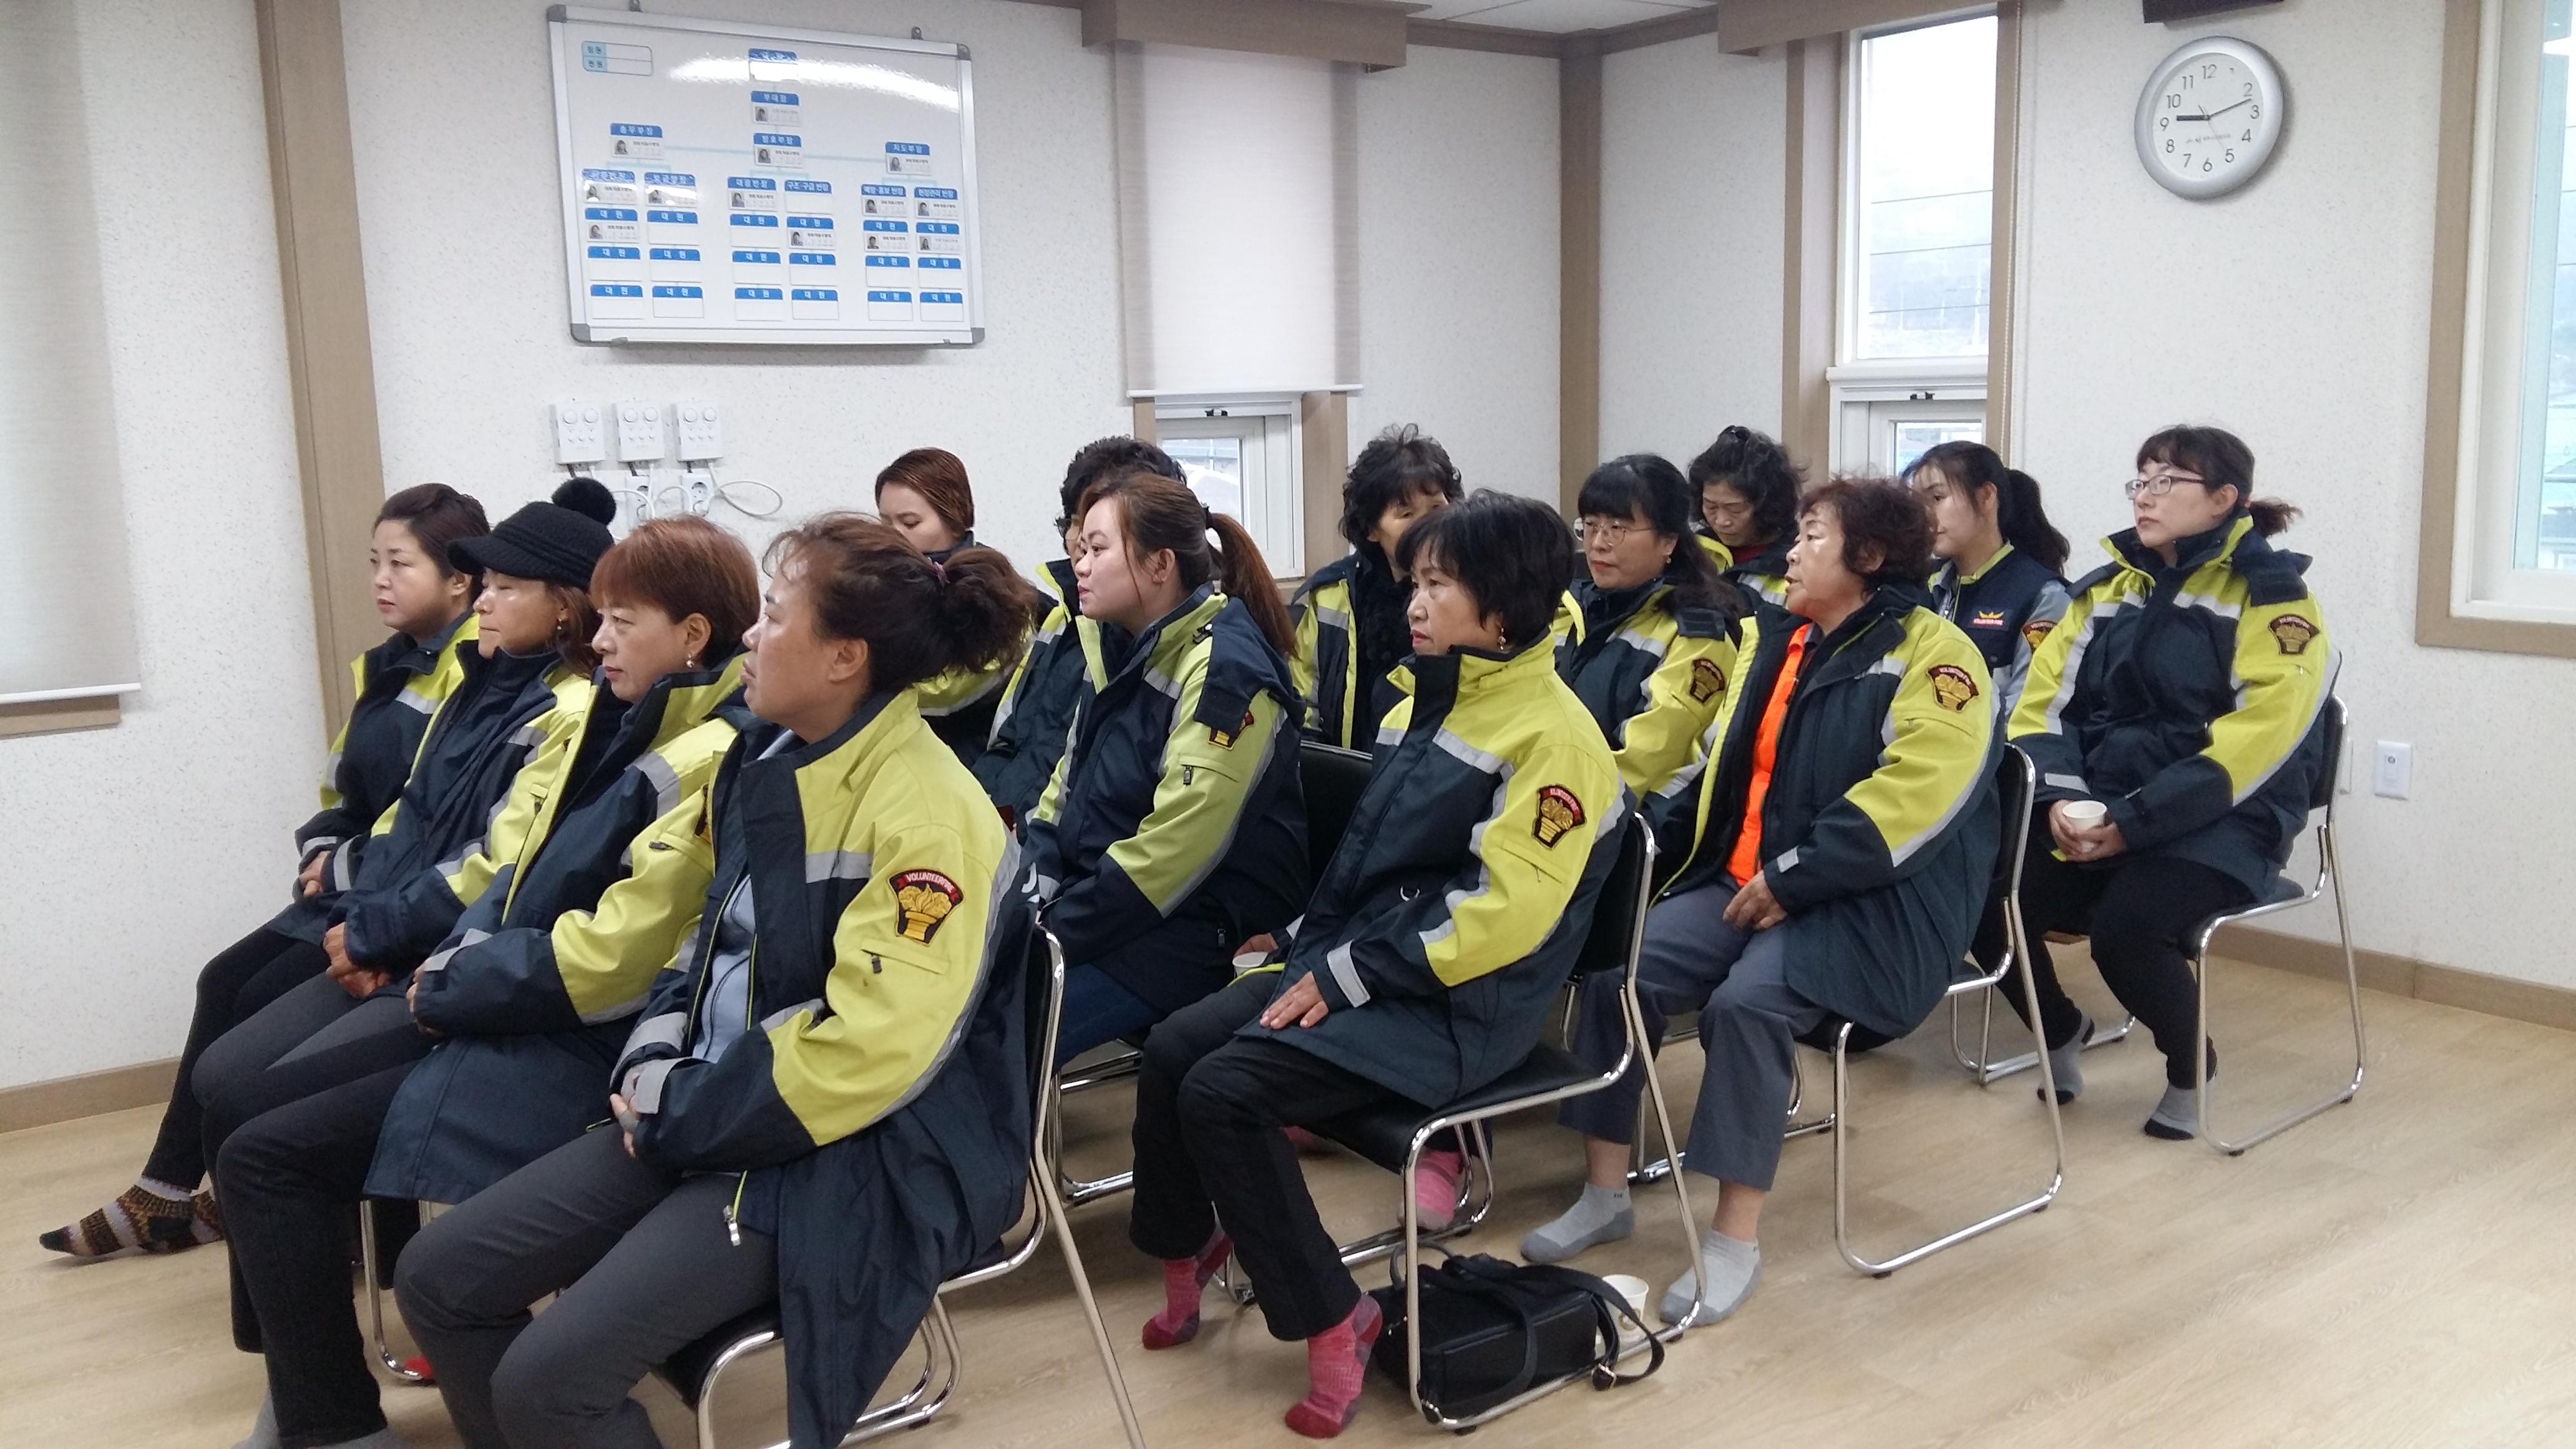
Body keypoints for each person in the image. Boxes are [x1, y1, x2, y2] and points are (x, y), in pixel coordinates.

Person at [394, 516, 1034, 1449]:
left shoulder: (927, 813)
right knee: (438, 1277)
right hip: (717, 1104)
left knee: (548, 1382)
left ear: (844, 657)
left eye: (774, 616)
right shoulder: (768, 756)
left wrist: (680, 1106)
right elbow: (703, 942)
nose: (750, 635)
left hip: (852, 1150)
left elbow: (869, 1051)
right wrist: (655, 1058)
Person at [208, 517, 759, 1449]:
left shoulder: (705, 752)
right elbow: (511, 867)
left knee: (270, 1155)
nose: (602, 639)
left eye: (622, 620)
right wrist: (446, 957)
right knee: (248, 1111)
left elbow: (617, 958)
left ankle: (326, 1414)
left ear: (693, 636)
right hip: (492, 991)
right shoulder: (607, 712)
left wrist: (447, 976)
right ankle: (310, 1384)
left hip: (570, 1036)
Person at [1127, 491, 1622, 1440]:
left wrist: (1344, 972)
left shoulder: (1555, 741)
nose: (1416, 604)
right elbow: (1371, 866)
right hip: (1373, 966)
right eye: (1415, 582)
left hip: (1463, 1006)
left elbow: (1499, 918)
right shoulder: (1425, 699)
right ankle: (1189, 1247)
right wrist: (1302, 939)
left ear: (1504, 610)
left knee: (1225, 1092)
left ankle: (1335, 1317)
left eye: (1440, 584)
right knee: (1175, 1047)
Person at [190, 482, 615, 1449]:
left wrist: (382, 936)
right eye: (482, 583)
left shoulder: (569, 705)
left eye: (504, 587)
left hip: (446, 959)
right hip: (395, 934)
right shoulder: (474, 675)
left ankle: (317, 1390)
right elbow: (409, 816)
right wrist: (359, 915)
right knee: (229, 1085)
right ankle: (302, 1365)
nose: (483, 600)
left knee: (255, 1114)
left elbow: (497, 867)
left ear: (566, 607)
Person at [1521, 477, 1998, 1330]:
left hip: (1863, 903)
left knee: (1748, 1004)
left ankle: (1734, 1239)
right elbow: (1717, 771)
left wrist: (1794, 878)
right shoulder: (1775, 637)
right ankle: (1604, 1192)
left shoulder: (1939, 656)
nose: (1791, 554)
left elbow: (1914, 799)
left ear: (1869, 557)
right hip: (1744, 881)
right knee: (1619, 972)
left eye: (1812, 536)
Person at [39, 484, 488, 1259]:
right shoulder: (387, 665)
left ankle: (216, 1196)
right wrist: (320, 848)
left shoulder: (474, 671)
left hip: (389, 896)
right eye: (373, 562)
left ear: (459, 580)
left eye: (400, 564)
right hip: (350, 882)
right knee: (225, 982)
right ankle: (183, 1193)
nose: (380, 580)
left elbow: (428, 818)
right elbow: (343, 788)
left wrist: (341, 867)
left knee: (245, 998)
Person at [1998, 426, 2336, 1137]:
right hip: (2107, 805)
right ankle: (2060, 1029)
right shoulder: (2107, 590)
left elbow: (2257, 742)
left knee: (2127, 931)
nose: (2144, 497)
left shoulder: (2275, 601)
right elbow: (2042, 707)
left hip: (2226, 819)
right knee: (1989, 898)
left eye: (2166, 482)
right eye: (2140, 480)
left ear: (2223, 499)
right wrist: (2062, 797)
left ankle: (2190, 1065)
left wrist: (2138, 819)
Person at [1025, 468, 1309, 1064]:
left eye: (1097, 549)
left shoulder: (1227, 670)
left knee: (1001, 1026)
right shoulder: (1114, 643)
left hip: (1195, 926)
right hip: (1110, 908)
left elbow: (1177, 852)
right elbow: (1062, 790)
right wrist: (1034, 890)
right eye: (1080, 548)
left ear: (1160, 565)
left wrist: (1055, 929)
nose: (1079, 565)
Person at [973, 436, 1187, 826]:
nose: (1078, 543)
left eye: (1097, 534)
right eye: (1073, 522)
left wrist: (1024, 847)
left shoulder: (1166, 647)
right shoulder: (1062, 616)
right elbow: (1007, 739)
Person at [1556, 454, 1747, 799]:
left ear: (1668, 541)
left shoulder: (1698, 636)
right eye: (1591, 526)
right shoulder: (1566, 606)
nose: (1597, 543)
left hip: (1604, 812)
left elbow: (1642, 762)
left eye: (1617, 529)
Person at [1287, 424, 1462, 749]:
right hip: (1348, 770)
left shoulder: (1471, 593)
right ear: (1371, 529)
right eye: (1406, 513)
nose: (1426, 525)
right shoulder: (1332, 594)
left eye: (1437, 508)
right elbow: (1304, 704)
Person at [872, 446, 1042, 764]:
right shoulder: (885, 578)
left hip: (970, 755)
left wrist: (865, 685)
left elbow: (951, 691)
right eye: (885, 522)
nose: (893, 536)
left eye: (910, 523)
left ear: (954, 520)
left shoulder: (992, 585)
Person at [1906, 441, 2072, 718]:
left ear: (1986, 497)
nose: (1926, 516)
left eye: (1937, 498)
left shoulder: (2043, 595)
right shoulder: (1921, 585)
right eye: (1918, 504)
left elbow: (2028, 708)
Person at [1687, 424, 1802, 607]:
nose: (1721, 521)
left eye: (1735, 509)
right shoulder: (1693, 551)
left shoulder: (1796, 563)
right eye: (1710, 506)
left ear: (1767, 505)